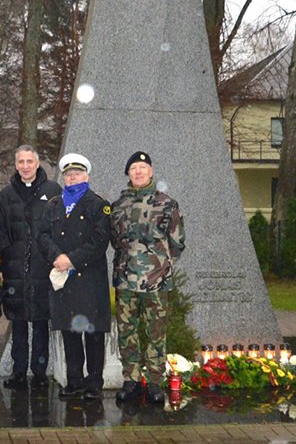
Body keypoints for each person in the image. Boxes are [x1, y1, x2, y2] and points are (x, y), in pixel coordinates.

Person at [111, 152, 186, 405]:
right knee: (127, 333)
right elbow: (115, 241)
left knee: (156, 334)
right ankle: (130, 380)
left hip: (156, 281)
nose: (138, 172)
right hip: (125, 280)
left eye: (143, 167)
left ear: (151, 171)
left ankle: (155, 382)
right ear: (128, 174)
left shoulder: (167, 204)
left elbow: (177, 243)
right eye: (133, 168)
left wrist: (159, 265)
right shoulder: (119, 204)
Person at [37, 154, 111, 401]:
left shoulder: (98, 204)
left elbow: (100, 241)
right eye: (68, 175)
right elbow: (43, 235)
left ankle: (94, 383)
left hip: (88, 278)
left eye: (77, 174)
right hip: (64, 278)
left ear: (86, 176)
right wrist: (57, 256)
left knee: (92, 333)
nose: (72, 178)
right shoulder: (54, 205)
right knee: (70, 332)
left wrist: (72, 259)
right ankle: (74, 381)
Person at [0, 146, 61, 390]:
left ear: (37, 163)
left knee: (41, 321)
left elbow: (58, 228)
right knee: (19, 322)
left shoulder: (53, 190)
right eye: (20, 161)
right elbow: (0, 231)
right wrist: (4, 258)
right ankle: (19, 371)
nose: (25, 166)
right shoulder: (7, 194)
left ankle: (40, 372)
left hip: (43, 268)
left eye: (29, 161)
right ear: (16, 165)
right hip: (15, 268)